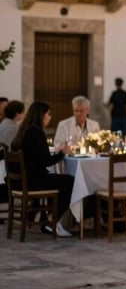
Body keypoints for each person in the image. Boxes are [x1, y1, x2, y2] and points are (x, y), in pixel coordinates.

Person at [10, 101, 74, 237]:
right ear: (42, 115)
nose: (50, 117)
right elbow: (46, 161)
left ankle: (49, 219)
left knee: (59, 180)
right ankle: (52, 221)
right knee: (71, 182)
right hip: (35, 181)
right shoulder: (36, 133)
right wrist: (63, 153)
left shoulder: (24, 130)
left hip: (22, 181)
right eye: (48, 114)